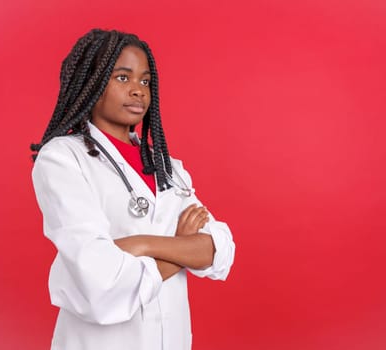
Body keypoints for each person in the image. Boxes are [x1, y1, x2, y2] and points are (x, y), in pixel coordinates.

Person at [30, 28, 235, 350]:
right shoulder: (62, 158)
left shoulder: (166, 165)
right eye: (123, 78)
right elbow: (100, 277)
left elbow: (218, 250)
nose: (138, 91)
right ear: (91, 84)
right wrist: (181, 248)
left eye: (145, 81)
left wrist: (139, 244)